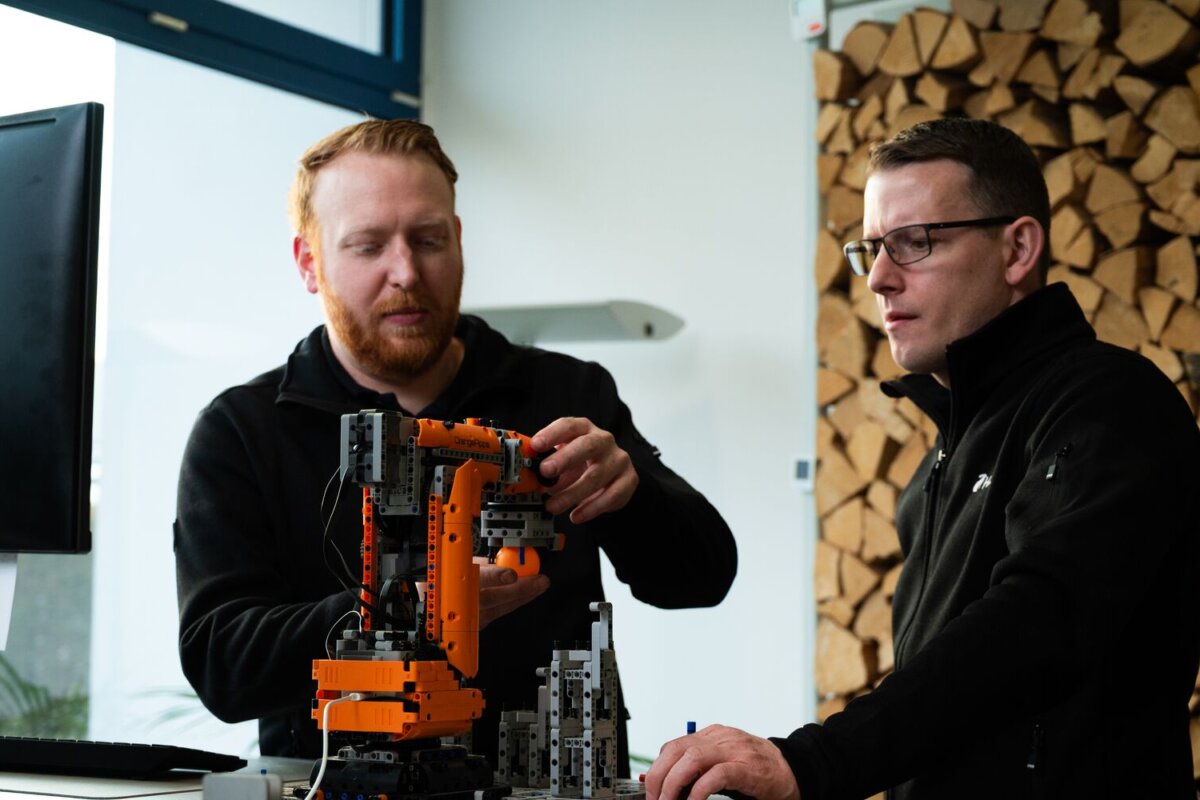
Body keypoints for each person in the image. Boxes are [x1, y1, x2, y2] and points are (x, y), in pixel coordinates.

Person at [646, 117, 1200, 799]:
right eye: (871, 249)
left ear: (1018, 249)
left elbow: (1038, 622)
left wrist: (815, 763)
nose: (879, 279)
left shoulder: (1110, 402)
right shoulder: (938, 463)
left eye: (914, 242)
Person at [173, 118, 737, 765]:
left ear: (459, 241)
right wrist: (397, 611)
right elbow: (222, 663)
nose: (406, 272)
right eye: (368, 246)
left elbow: (701, 579)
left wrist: (631, 497)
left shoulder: (567, 392)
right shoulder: (241, 430)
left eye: (429, 239)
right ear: (309, 262)